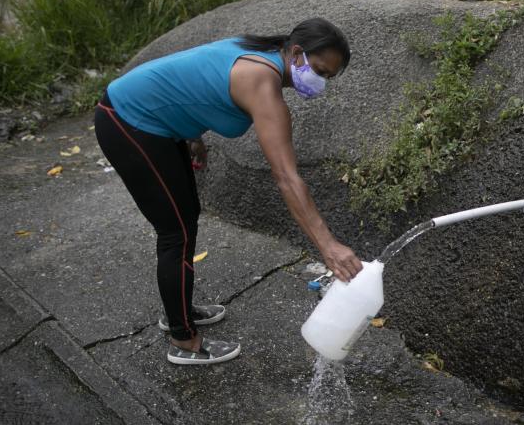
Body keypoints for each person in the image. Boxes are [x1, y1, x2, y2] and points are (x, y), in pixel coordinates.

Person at [95, 18, 364, 366]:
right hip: (128, 119)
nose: (320, 82)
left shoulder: (261, 51)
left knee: (185, 218)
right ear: (296, 53)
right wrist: (329, 247)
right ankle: (184, 340)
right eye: (320, 71)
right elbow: (286, 178)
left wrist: (191, 133)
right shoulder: (262, 83)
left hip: (155, 123)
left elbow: (195, 79)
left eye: (328, 77)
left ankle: (179, 310)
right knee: (175, 231)